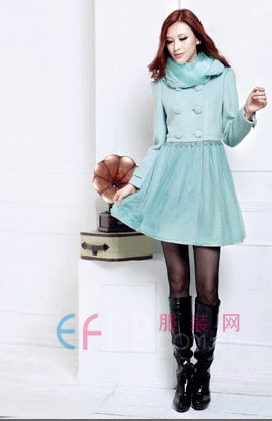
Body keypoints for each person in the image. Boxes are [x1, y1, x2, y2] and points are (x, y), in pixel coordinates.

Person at [110, 9, 267, 413]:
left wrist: (248, 111)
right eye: (169, 41)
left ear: (198, 37)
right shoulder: (161, 84)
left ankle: (203, 373)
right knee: (178, 282)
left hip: (209, 185)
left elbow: (229, 134)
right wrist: (134, 184)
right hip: (171, 186)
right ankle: (184, 372)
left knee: (208, 288)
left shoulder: (221, 76)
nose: (176, 47)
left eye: (182, 38)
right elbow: (159, 144)